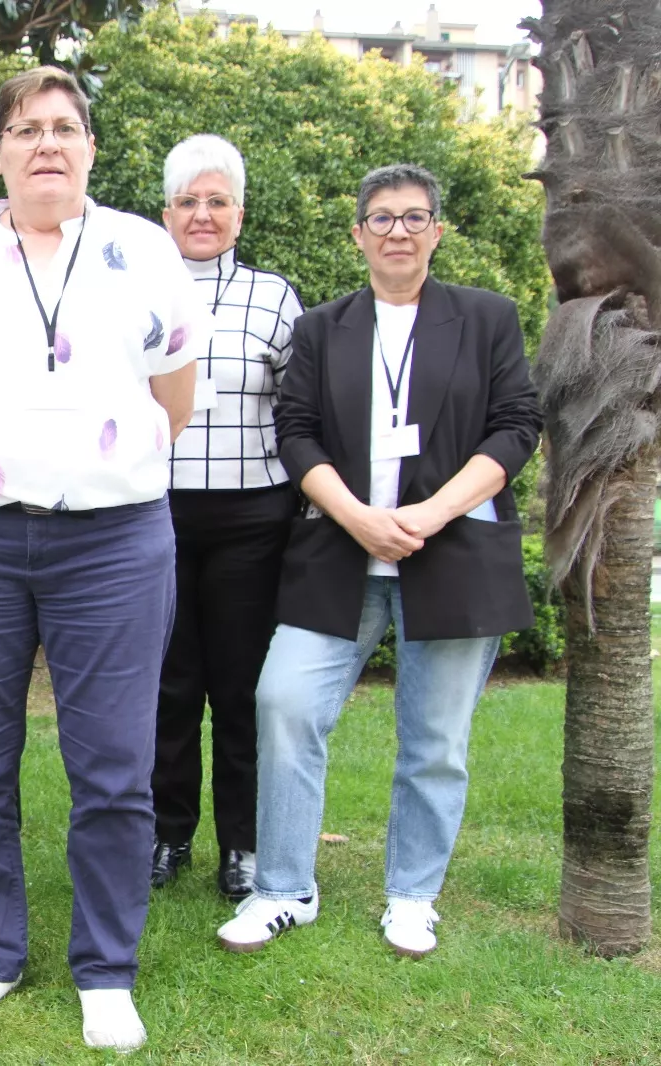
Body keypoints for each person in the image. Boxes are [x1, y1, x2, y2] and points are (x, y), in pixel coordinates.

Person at [0, 67, 212, 1051]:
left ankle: (106, 969)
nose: (46, 143)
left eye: (65, 128)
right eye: (25, 129)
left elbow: (174, 396)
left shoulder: (144, 251)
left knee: (115, 767)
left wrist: (97, 461)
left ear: (89, 148)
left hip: (113, 541)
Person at [216, 164, 542, 959]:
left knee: (435, 740)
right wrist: (359, 518)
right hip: (340, 553)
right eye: (382, 217)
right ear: (358, 233)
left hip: (453, 552)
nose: (398, 230)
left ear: (437, 230)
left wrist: (430, 514)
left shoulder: (488, 318)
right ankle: (285, 888)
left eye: (415, 217)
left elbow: (515, 427)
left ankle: (411, 895)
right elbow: (295, 432)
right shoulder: (324, 328)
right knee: (285, 704)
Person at [150, 135, 304, 900]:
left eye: (216, 201)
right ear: (166, 212)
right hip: (155, 512)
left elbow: (300, 407)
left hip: (251, 518)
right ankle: (168, 834)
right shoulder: (137, 287)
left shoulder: (275, 298)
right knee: (169, 687)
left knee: (240, 689)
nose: (202, 214)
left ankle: (241, 844)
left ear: (238, 214)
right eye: (188, 201)